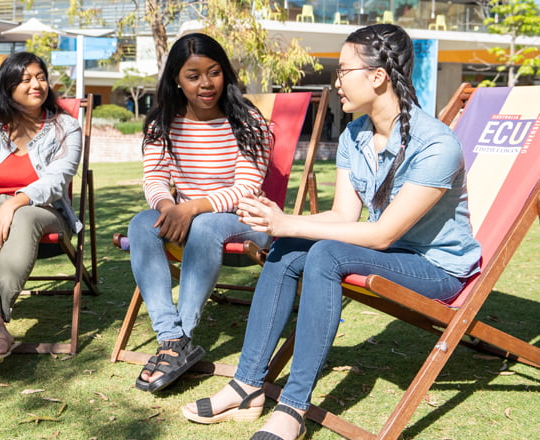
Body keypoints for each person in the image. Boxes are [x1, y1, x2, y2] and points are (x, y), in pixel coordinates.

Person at [181, 24, 481, 440]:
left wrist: (289, 223)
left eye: (343, 70)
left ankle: (293, 406)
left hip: (436, 267)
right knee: (290, 246)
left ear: (377, 77)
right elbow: (343, 215)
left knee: (325, 253)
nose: (335, 80)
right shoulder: (356, 134)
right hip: (391, 253)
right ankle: (248, 386)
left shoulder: (436, 145)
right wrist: (279, 221)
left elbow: (382, 235)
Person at [128, 33, 273, 394]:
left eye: (214, 72)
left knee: (206, 224)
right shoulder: (162, 123)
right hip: (187, 218)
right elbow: (155, 179)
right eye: (193, 76)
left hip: (247, 221)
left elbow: (246, 188)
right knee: (142, 223)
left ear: (225, 73)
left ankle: (182, 336)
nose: (206, 84)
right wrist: (166, 207)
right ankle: (172, 339)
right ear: (176, 79)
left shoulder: (248, 120)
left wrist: (190, 208)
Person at [0, 51, 82, 368]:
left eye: (40, 77)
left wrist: (13, 202)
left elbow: (55, 181)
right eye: (25, 79)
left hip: (43, 211)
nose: (36, 84)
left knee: (22, 218)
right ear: (7, 87)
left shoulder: (66, 127)